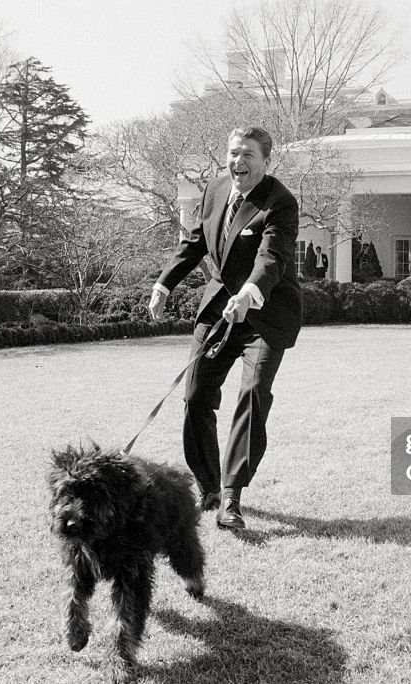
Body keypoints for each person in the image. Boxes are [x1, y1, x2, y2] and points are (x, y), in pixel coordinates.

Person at [149, 126, 303, 531]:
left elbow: (272, 258)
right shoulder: (215, 191)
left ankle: (232, 496)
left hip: (265, 315)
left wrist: (250, 293)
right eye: (234, 154)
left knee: (252, 395)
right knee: (196, 393)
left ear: (266, 162)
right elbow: (196, 242)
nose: (239, 162)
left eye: (248, 155)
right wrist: (164, 283)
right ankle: (209, 486)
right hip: (219, 311)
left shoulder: (281, 203)